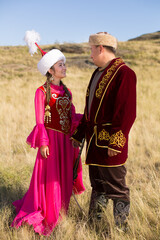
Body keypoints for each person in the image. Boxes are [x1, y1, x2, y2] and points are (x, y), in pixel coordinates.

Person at [11, 43, 85, 235]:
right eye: (60, 65)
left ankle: (62, 213)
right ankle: (50, 215)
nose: (64, 67)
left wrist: (86, 119)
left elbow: (71, 116)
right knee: (50, 179)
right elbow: (40, 121)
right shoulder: (41, 92)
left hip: (67, 143)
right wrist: (43, 142)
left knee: (64, 178)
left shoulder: (67, 92)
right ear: (50, 70)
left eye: (64, 64)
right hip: (51, 142)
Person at [72, 32, 136, 229]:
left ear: (100, 48)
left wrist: (116, 142)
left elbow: (127, 113)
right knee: (98, 186)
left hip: (110, 145)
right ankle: (94, 225)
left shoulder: (124, 73)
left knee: (117, 188)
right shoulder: (98, 72)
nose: (90, 54)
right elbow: (90, 111)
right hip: (94, 144)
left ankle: (121, 228)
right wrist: (79, 134)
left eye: (91, 49)